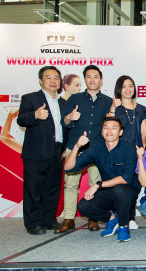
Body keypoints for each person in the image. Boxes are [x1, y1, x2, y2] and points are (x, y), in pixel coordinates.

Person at [57, 65, 112, 234]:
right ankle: (69, 218)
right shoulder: (74, 99)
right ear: (85, 79)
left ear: (101, 80)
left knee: (95, 184)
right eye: (89, 76)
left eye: (96, 76)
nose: (92, 79)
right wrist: (69, 117)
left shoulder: (108, 101)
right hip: (76, 146)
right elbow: (64, 123)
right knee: (71, 184)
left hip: (97, 148)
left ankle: (92, 218)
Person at [65, 117, 137, 242]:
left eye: (114, 127)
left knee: (120, 189)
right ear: (102, 132)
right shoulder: (96, 149)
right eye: (105, 127)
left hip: (128, 192)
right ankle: (112, 219)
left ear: (120, 132)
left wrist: (98, 185)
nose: (109, 130)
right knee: (83, 205)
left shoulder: (129, 148)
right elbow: (68, 168)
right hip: (109, 191)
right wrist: (76, 147)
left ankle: (123, 226)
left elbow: (126, 179)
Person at [17, 66, 66, 235]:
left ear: (60, 82)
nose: (53, 81)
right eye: (48, 78)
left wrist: (65, 146)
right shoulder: (30, 98)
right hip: (36, 152)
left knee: (52, 188)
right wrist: (35, 116)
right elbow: (21, 119)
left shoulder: (63, 102)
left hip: (56, 151)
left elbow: (64, 128)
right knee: (33, 188)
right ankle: (32, 223)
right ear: (40, 80)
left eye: (56, 78)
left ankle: (49, 219)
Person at [108, 75, 146, 229]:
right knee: (120, 187)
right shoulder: (115, 108)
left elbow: (144, 130)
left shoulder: (141, 108)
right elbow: (108, 127)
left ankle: (130, 217)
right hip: (119, 153)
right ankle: (118, 217)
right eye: (124, 86)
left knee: (135, 186)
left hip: (137, 153)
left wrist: (145, 149)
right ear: (119, 89)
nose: (128, 89)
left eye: (130, 85)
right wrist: (113, 108)